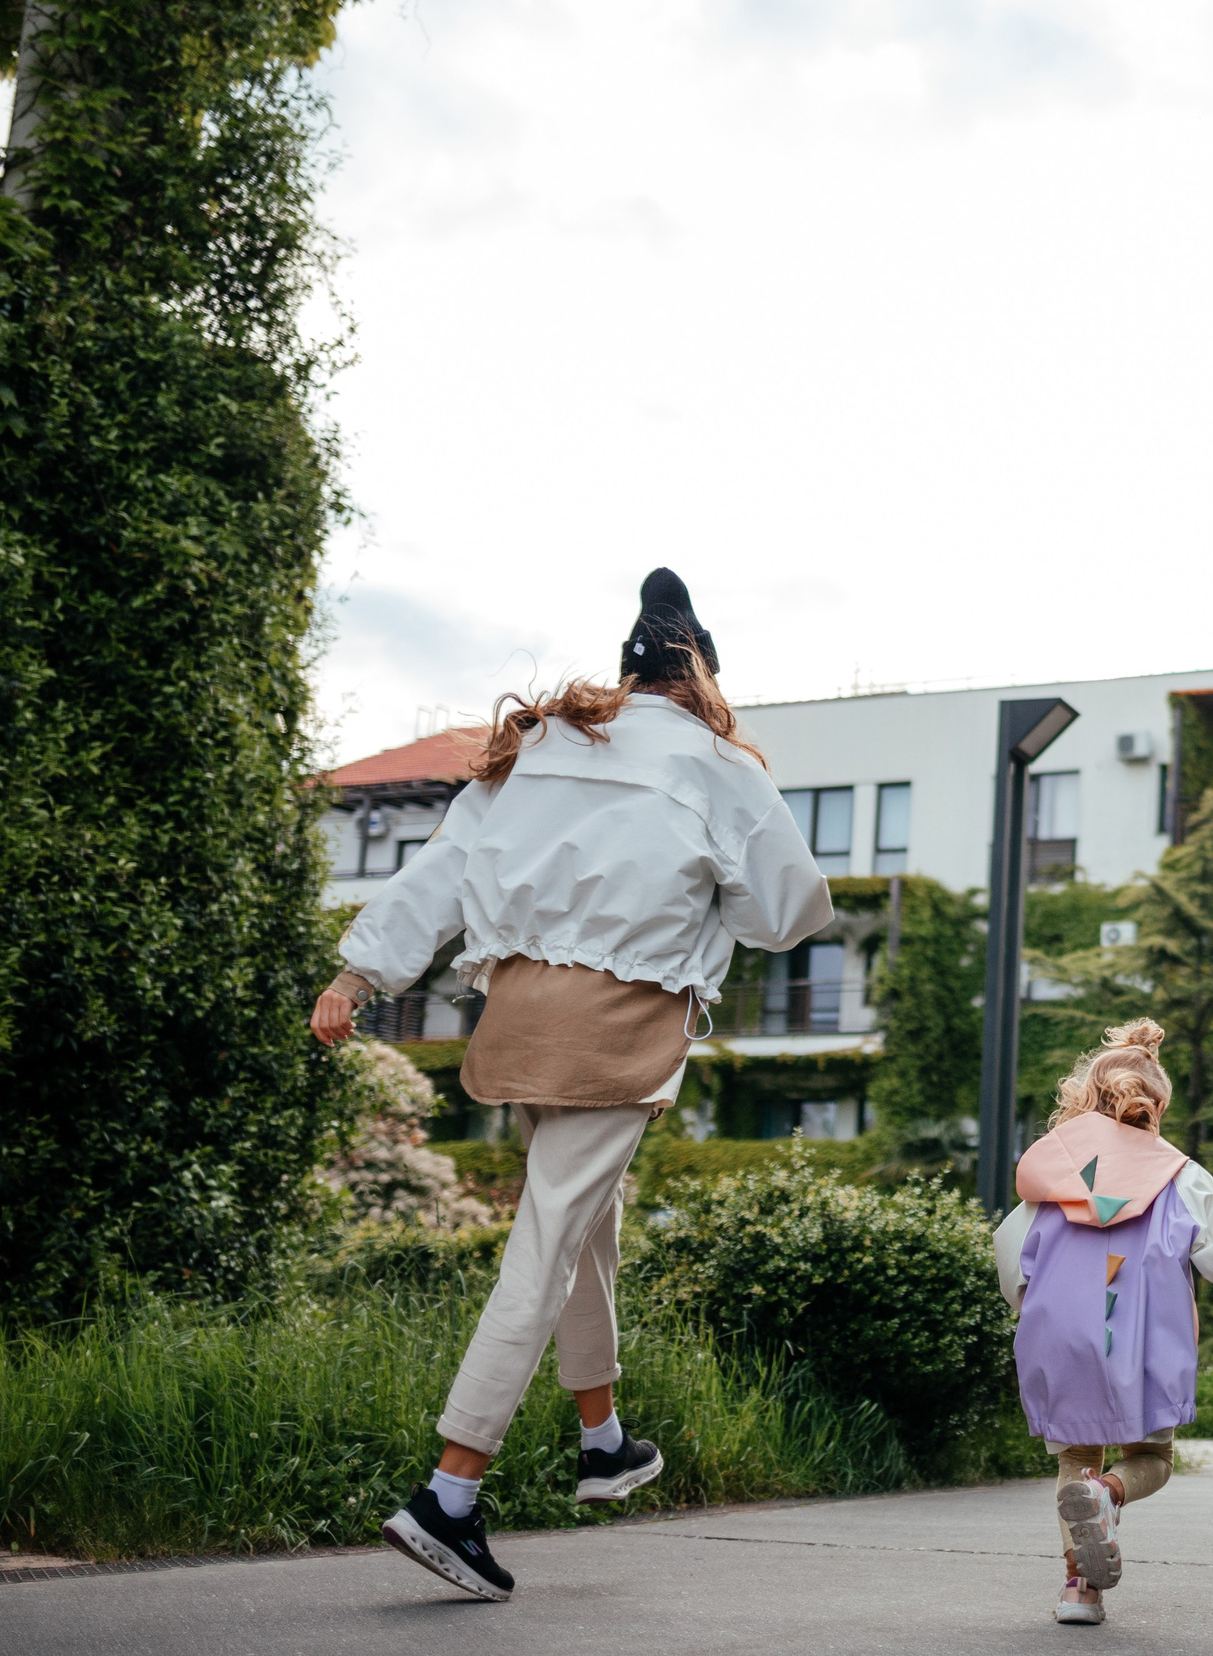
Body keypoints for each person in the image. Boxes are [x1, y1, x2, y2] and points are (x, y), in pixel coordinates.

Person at [308, 569, 832, 1603]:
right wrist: (708, 890)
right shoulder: (717, 762)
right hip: (619, 1028)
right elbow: (785, 910)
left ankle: (603, 1437)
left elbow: (442, 871)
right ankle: (449, 1492)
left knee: (586, 1220)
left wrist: (358, 969)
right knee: (544, 1246)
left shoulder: (544, 746)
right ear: (701, 681)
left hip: (519, 1017)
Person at [995, 1019, 1213, 1625]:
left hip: (1058, 1334)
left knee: (1073, 1458)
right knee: (1152, 1456)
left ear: (1084, 1096)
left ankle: (1079, 1593)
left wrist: (1040, 1310)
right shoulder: (1177, 1174)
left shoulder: (1049, 1176)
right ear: (1156, 1105)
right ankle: (1108, 1494)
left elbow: (1015, 1264)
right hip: (1142, 1334)